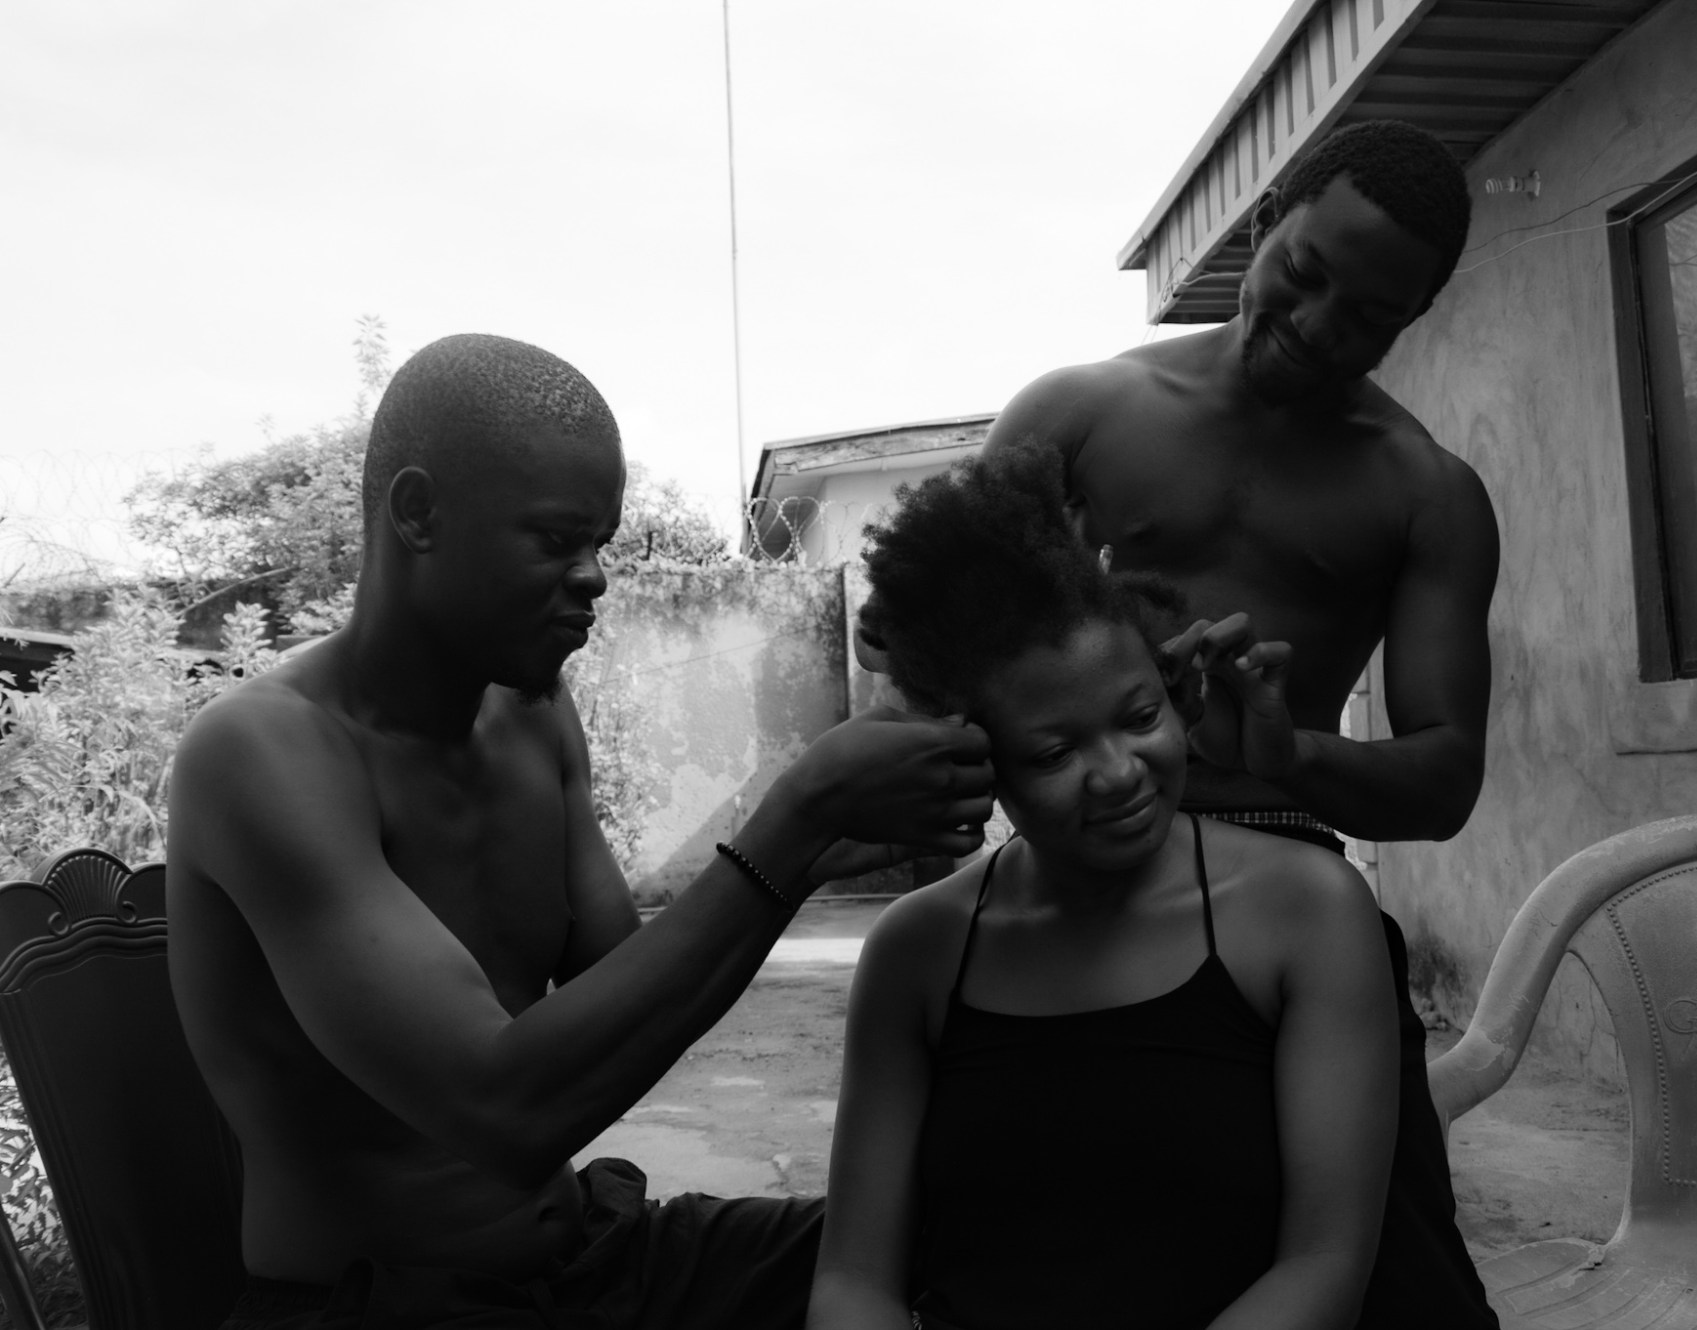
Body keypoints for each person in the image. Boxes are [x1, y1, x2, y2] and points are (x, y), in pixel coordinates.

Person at [167, 333, 994, 1328]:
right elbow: (504, 1112)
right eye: (556, 539)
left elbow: (625, 992)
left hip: (589, 1260)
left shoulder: (531, 715)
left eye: (600, 540)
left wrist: (812, 854)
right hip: (385, 1302)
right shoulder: (262, 754)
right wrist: (789, 824)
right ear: (418, 514)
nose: (594, 576)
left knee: (978, 1233)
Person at [969, 118, 1501, 1321]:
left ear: (1406, 325)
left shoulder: (1422, 492)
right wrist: (1077, 658)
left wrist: (1290, 753)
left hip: (1285, 887)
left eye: (1362, 317)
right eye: (1302, 275)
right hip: (1067, 883)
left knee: (1392, 1283)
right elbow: (923, 645)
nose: (1313, 328)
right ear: (1261, 226)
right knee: (1031, 1255)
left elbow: (1444, 778)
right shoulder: (1078, 414)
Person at [808, 443, 1400, 1330]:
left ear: (1177, 692)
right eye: (1053, 752)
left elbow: (1325, 1266)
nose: (1118, 773)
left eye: (1139, 716)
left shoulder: (1308, 911)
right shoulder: (917, 953)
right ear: (976, 758)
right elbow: (855, 1284)